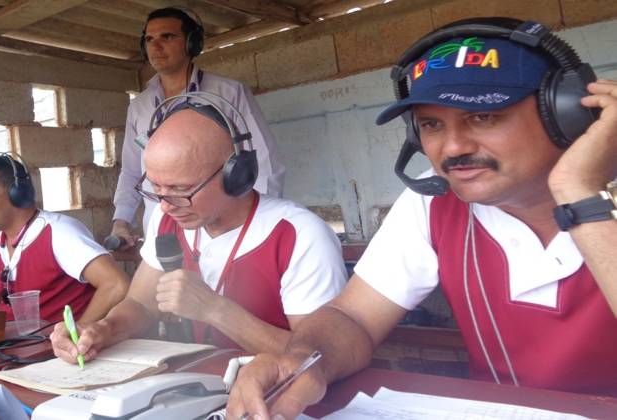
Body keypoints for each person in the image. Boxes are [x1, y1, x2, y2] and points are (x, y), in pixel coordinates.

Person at [226, 18, 617, 418]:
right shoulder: (435, 198)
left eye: (483, 116)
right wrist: (306, 362)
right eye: (431, 124)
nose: (453, 148)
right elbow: (353, 316)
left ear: (565, 114)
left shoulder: (589, 192)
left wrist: (580, 193)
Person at [50, 101, 346, 362]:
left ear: (236, 175)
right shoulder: (168, 220)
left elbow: (320, 357)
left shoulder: (298, 236)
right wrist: (103, 329)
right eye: (156, 189)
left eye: (181, 189)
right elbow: (140, 303)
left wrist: (215, 310)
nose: (166, 207)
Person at [111, 7, 285, 246]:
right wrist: (121, 220)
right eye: (149, 39)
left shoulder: (229, 93)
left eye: (167, 37)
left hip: (225, 227)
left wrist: (259, 223)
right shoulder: (139, 107)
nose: (156, 46)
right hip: (163, 232)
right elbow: (131, 171)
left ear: (192, 44)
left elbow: (265, 164)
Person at [0, 154, 130, 324]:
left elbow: (116, 284)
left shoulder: (59, 232)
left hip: (57, 348)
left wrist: (79, 332)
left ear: (17, 193)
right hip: (9, 348)